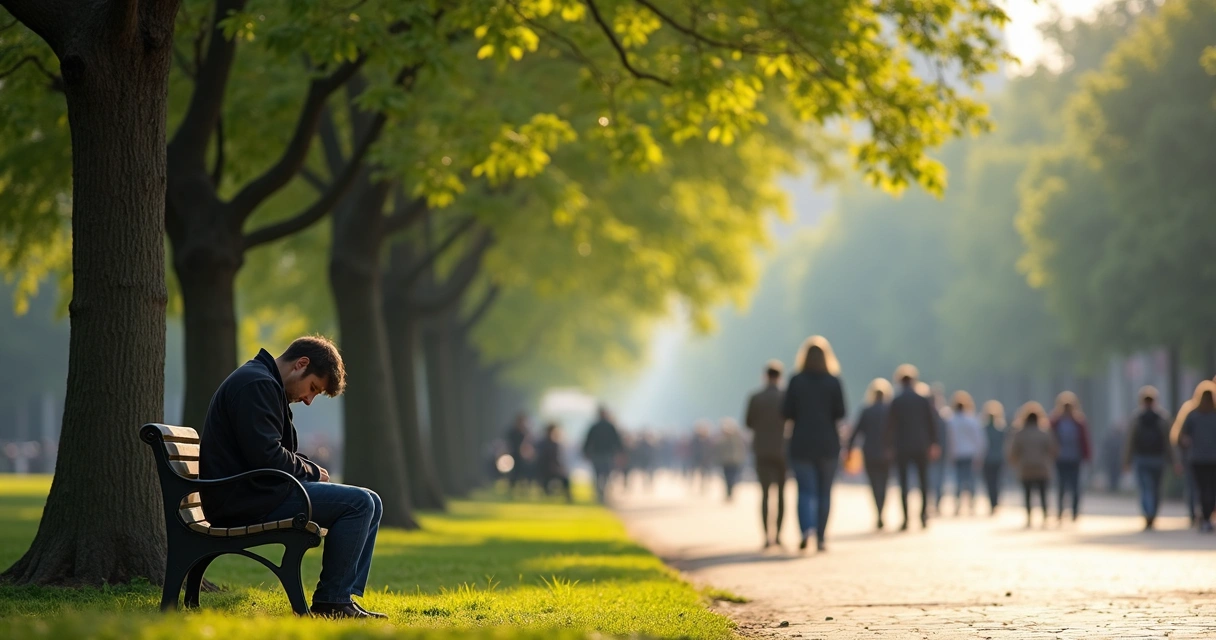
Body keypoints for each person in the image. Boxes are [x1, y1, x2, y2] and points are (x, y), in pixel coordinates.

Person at [199, 336, 385, 619]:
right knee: (359, 503)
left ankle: (341, 597)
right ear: (301, 364)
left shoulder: (264, 382)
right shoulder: (257, 384)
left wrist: (308, 469)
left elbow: (272, 452)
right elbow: (267, 456)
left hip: (255, 493)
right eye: (312, 388)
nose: (309, 400)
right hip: (244, 500)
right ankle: (332, 601)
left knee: (372, 500)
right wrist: (311, 471)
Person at [783, 336, 846, 552]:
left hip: (801, 443)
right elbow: (841, 412)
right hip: (827, 443)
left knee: (805, 491)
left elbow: (786, 412)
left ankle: (805, 531)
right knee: (824, 492)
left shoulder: (796, 380)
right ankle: (821, 536)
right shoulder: (833, 381)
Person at [884, 364, 941, 531]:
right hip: (921, 445)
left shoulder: (896, 400)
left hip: (901, 446)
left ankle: (906, 518)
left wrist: (888, 445)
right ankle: (923, 515)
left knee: (904, 483)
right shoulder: (923, 400)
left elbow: (889, 426)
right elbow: (932, 423)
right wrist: (934, 443)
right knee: (923, 481)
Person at [744, 360, 788, 548]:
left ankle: (765, 536)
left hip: (761, 449)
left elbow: (748, 423)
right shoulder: (786, 396)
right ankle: (778, 534)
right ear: (780, 376)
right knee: (781, 494)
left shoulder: (755, 397)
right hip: (782, 450)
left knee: (764, 494)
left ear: (765, 376)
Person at [1122, 386, 1177, 530]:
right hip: (1158, 459)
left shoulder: (1136, 418)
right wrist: (1174, 461)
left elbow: (1130, 442)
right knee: (1156, 488)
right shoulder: (1163, 418)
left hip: (1141, 458)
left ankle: (1148, 512)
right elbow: (1168, 442)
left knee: (1145, 488)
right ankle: (1153, 513)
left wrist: (1127, 461)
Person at [847, 378, 893, 530]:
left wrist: (848, 448)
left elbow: (857, 431)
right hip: (887, 453)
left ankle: (878, 511)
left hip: (870, 453)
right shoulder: (890, 411)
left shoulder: (867, 410)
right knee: (884, 484)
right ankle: (882, 510)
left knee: (874, 484)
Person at [1008, 402, 1057, 529]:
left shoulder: (1019, 433)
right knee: (1043, 494)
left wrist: (1015, 464)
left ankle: (1029, 518)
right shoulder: (1044, 433)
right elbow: (1052, 450)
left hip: (1026, 468)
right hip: (1042, 468)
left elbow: (1013, 451)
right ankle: (1045, 516)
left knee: (1028, 495)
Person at [1178, 381, 1216, 533]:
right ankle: (1206, 517)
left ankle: (1202, 515)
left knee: (1200, 489)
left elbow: (1180, 435)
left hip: (1197, 458)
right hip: (1212, 459)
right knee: (1211, 489)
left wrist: (1186, 445)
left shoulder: (1192, 414)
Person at [1049, 391, 1092, 522]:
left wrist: (1086, 455)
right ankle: (1061, 511)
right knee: (1062, 486)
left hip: (1074, 459)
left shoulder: (1078, 422)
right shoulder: (1055, 422)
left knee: (1074, 487)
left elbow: (1084, 440)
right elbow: (1050, 439)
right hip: (1060, 459)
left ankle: (1074, 511)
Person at [946, 391, 984, 516]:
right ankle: (971, 504)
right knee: (970, 480)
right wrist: (979, 454)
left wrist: (950, 453)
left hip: (957, 453)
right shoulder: (972, 420)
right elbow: (979, 439)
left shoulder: (951, 421)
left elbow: (950, 439)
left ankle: (957, 505)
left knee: (958, 479)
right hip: (970, 453)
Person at [583, 405, 625, 503]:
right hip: (605, 454)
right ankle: (602, 491)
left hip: (599, 454)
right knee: (605, 473)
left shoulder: (595, 426)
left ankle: (600, 491)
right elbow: (617, 441)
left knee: (599, 473)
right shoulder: (610, 426)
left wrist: (585, 452)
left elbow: (588, 441)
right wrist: (620, 452)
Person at [980, 400, 1008, 515]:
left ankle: (992, 503)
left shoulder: (983, 429)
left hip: (987, 459)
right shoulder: (1001, 430)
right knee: (997, 482)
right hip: (998, 459)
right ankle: (995, 502)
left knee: (989, 483)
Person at [535, 422, 573, 502]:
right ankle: (548, 493)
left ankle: (568, 497)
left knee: (565, 478)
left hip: (553, 469)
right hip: (543, 469)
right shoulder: (542, 444)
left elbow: (557, 459)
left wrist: (560, 467)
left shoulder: (555, 444)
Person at [504, 412, 534, 493]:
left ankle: (525, 489)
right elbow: (508, 444)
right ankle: (511, 489)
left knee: (526, 473)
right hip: (514, 456)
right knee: (514, 474)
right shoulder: (512, 432)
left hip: (523, 458)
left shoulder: (526, 433)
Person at [718, 418, 747, 501]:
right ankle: (728, 492)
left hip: (734, 461)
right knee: (727, 478)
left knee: (732, 478)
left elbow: (741, 449)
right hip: (726, 461)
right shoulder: (723, 439)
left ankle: (730, 492)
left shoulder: (737, 439)